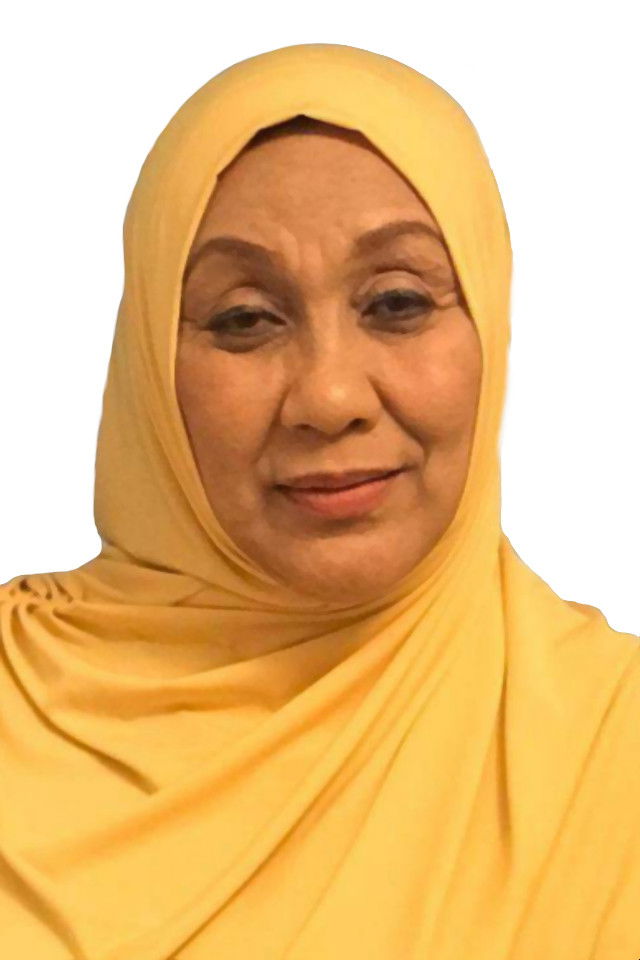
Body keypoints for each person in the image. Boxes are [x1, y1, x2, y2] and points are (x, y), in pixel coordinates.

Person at [0, 42, 638, 960]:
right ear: (146, 362)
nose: (330, 398)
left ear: (491, 327)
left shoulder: (615, 749)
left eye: (397, 303)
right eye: (244, 319)